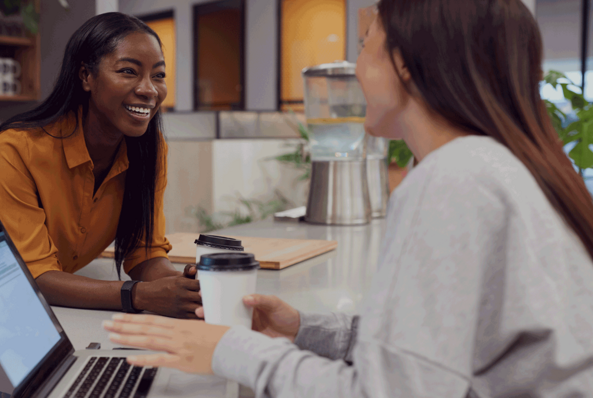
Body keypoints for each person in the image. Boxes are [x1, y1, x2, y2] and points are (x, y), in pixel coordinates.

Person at [101, 0, 593, 395]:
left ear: (402, 63)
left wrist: (228, 348)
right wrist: (304, 329)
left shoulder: (455, 178)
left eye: (364, 46)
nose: (355, 69)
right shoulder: (499, 164)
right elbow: (435, 344)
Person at [0, 12, 201, 319]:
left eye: (158, 75)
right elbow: (38, 275)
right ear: (86, 75)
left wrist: (183, 288)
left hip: (22, 280)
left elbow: (145, 253)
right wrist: (139, 295)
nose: (149, 89)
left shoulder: (151, 150)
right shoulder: (20, 144)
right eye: (128, 71)